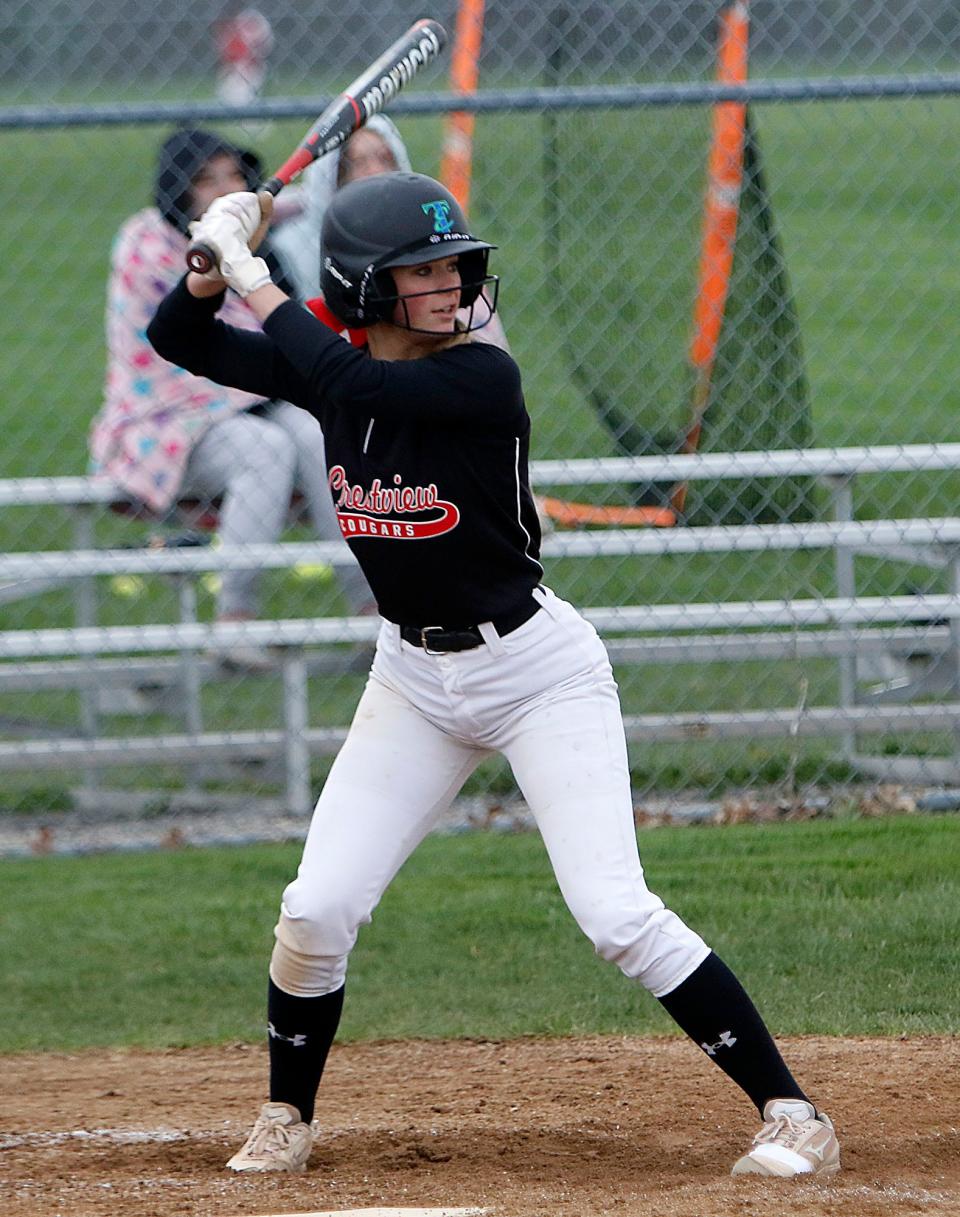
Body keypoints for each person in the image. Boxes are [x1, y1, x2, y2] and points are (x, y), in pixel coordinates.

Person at [147, 172, 841, 1179]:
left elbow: (355, 386)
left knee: (614, 911)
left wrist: (253, 269)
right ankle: (286, 1117)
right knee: (315, 906)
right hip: (413, 678)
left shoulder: (479, 376)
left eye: (453, 265)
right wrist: (212, 268)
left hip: (536, 669)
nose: (449, 283)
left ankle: (794, 1110)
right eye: (420, 271)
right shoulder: (337, 371)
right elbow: (184, 341)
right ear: (364, 288)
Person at [90, 128, 372, 669]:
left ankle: (373, 609)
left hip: (254, 402)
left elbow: (283, 332)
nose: (223, 188)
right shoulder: (145, 243)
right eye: (204, 179)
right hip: (164, 420)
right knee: (261, 448)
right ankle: (234, 622)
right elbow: (163, 349)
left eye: (233, 175)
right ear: (177, 190)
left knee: (317, 436)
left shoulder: (255, 235)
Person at [271, 115, 508, 350]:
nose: (376, 171)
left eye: (385, 158)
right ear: (332, 176)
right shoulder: (287, 248)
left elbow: (487, 348)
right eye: (358, 162)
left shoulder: (434, 239)